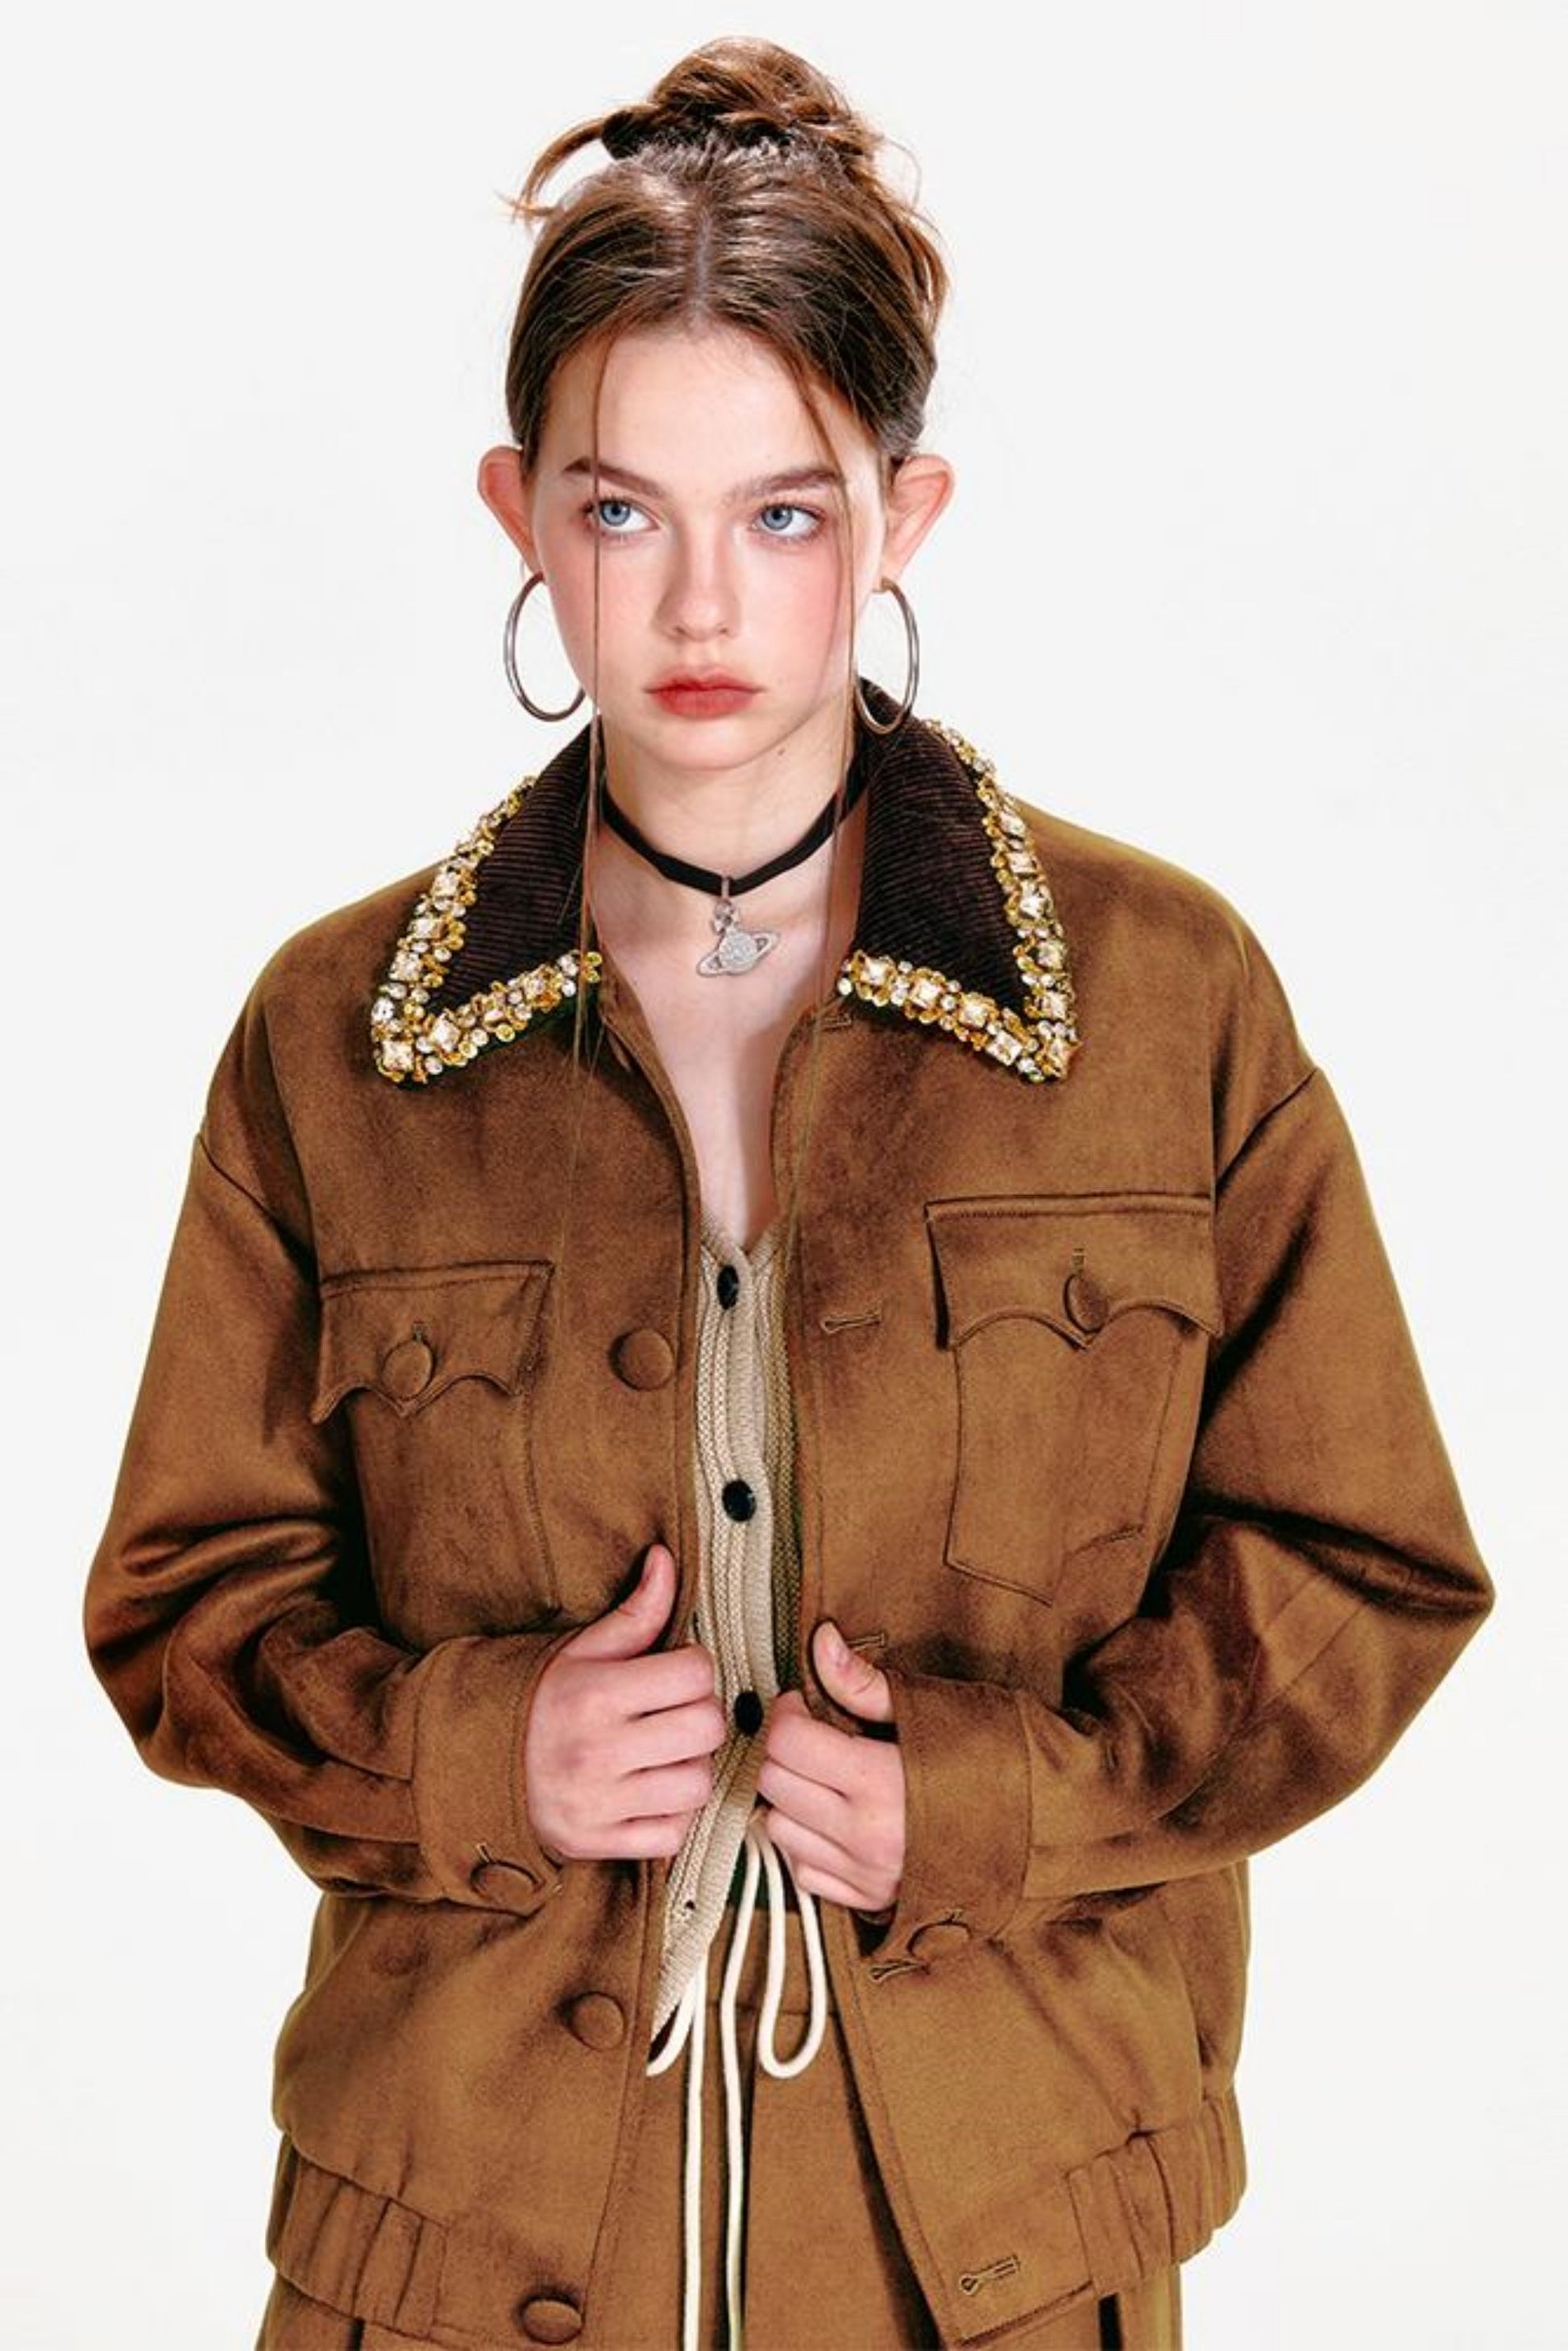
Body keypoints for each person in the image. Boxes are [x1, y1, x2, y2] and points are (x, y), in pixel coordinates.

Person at [82, 35, 1494, 2351]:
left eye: (783, 514)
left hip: (996, 2252)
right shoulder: (336, 1037)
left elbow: (1366, 1564)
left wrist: (1003, 1801)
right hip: (455, 2245)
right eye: (621, 510)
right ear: (517, 514)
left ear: (903, 514)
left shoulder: (1163, 1000)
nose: (697, 609)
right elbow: (182, 1598)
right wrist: (476, 1753)